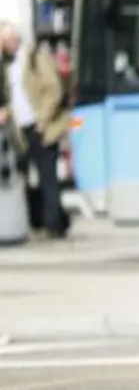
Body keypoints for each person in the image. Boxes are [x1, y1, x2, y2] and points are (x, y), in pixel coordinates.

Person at [0, 21, 70, 241]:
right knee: (25, 177)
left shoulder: (35, 57)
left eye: (5, 40)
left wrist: (43, 118)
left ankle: (52, 225)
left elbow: (54, 88)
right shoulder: (6, 64)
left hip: (41, 126)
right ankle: (42, 220)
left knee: (47, 176)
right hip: (20, 129)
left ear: (14, 39)